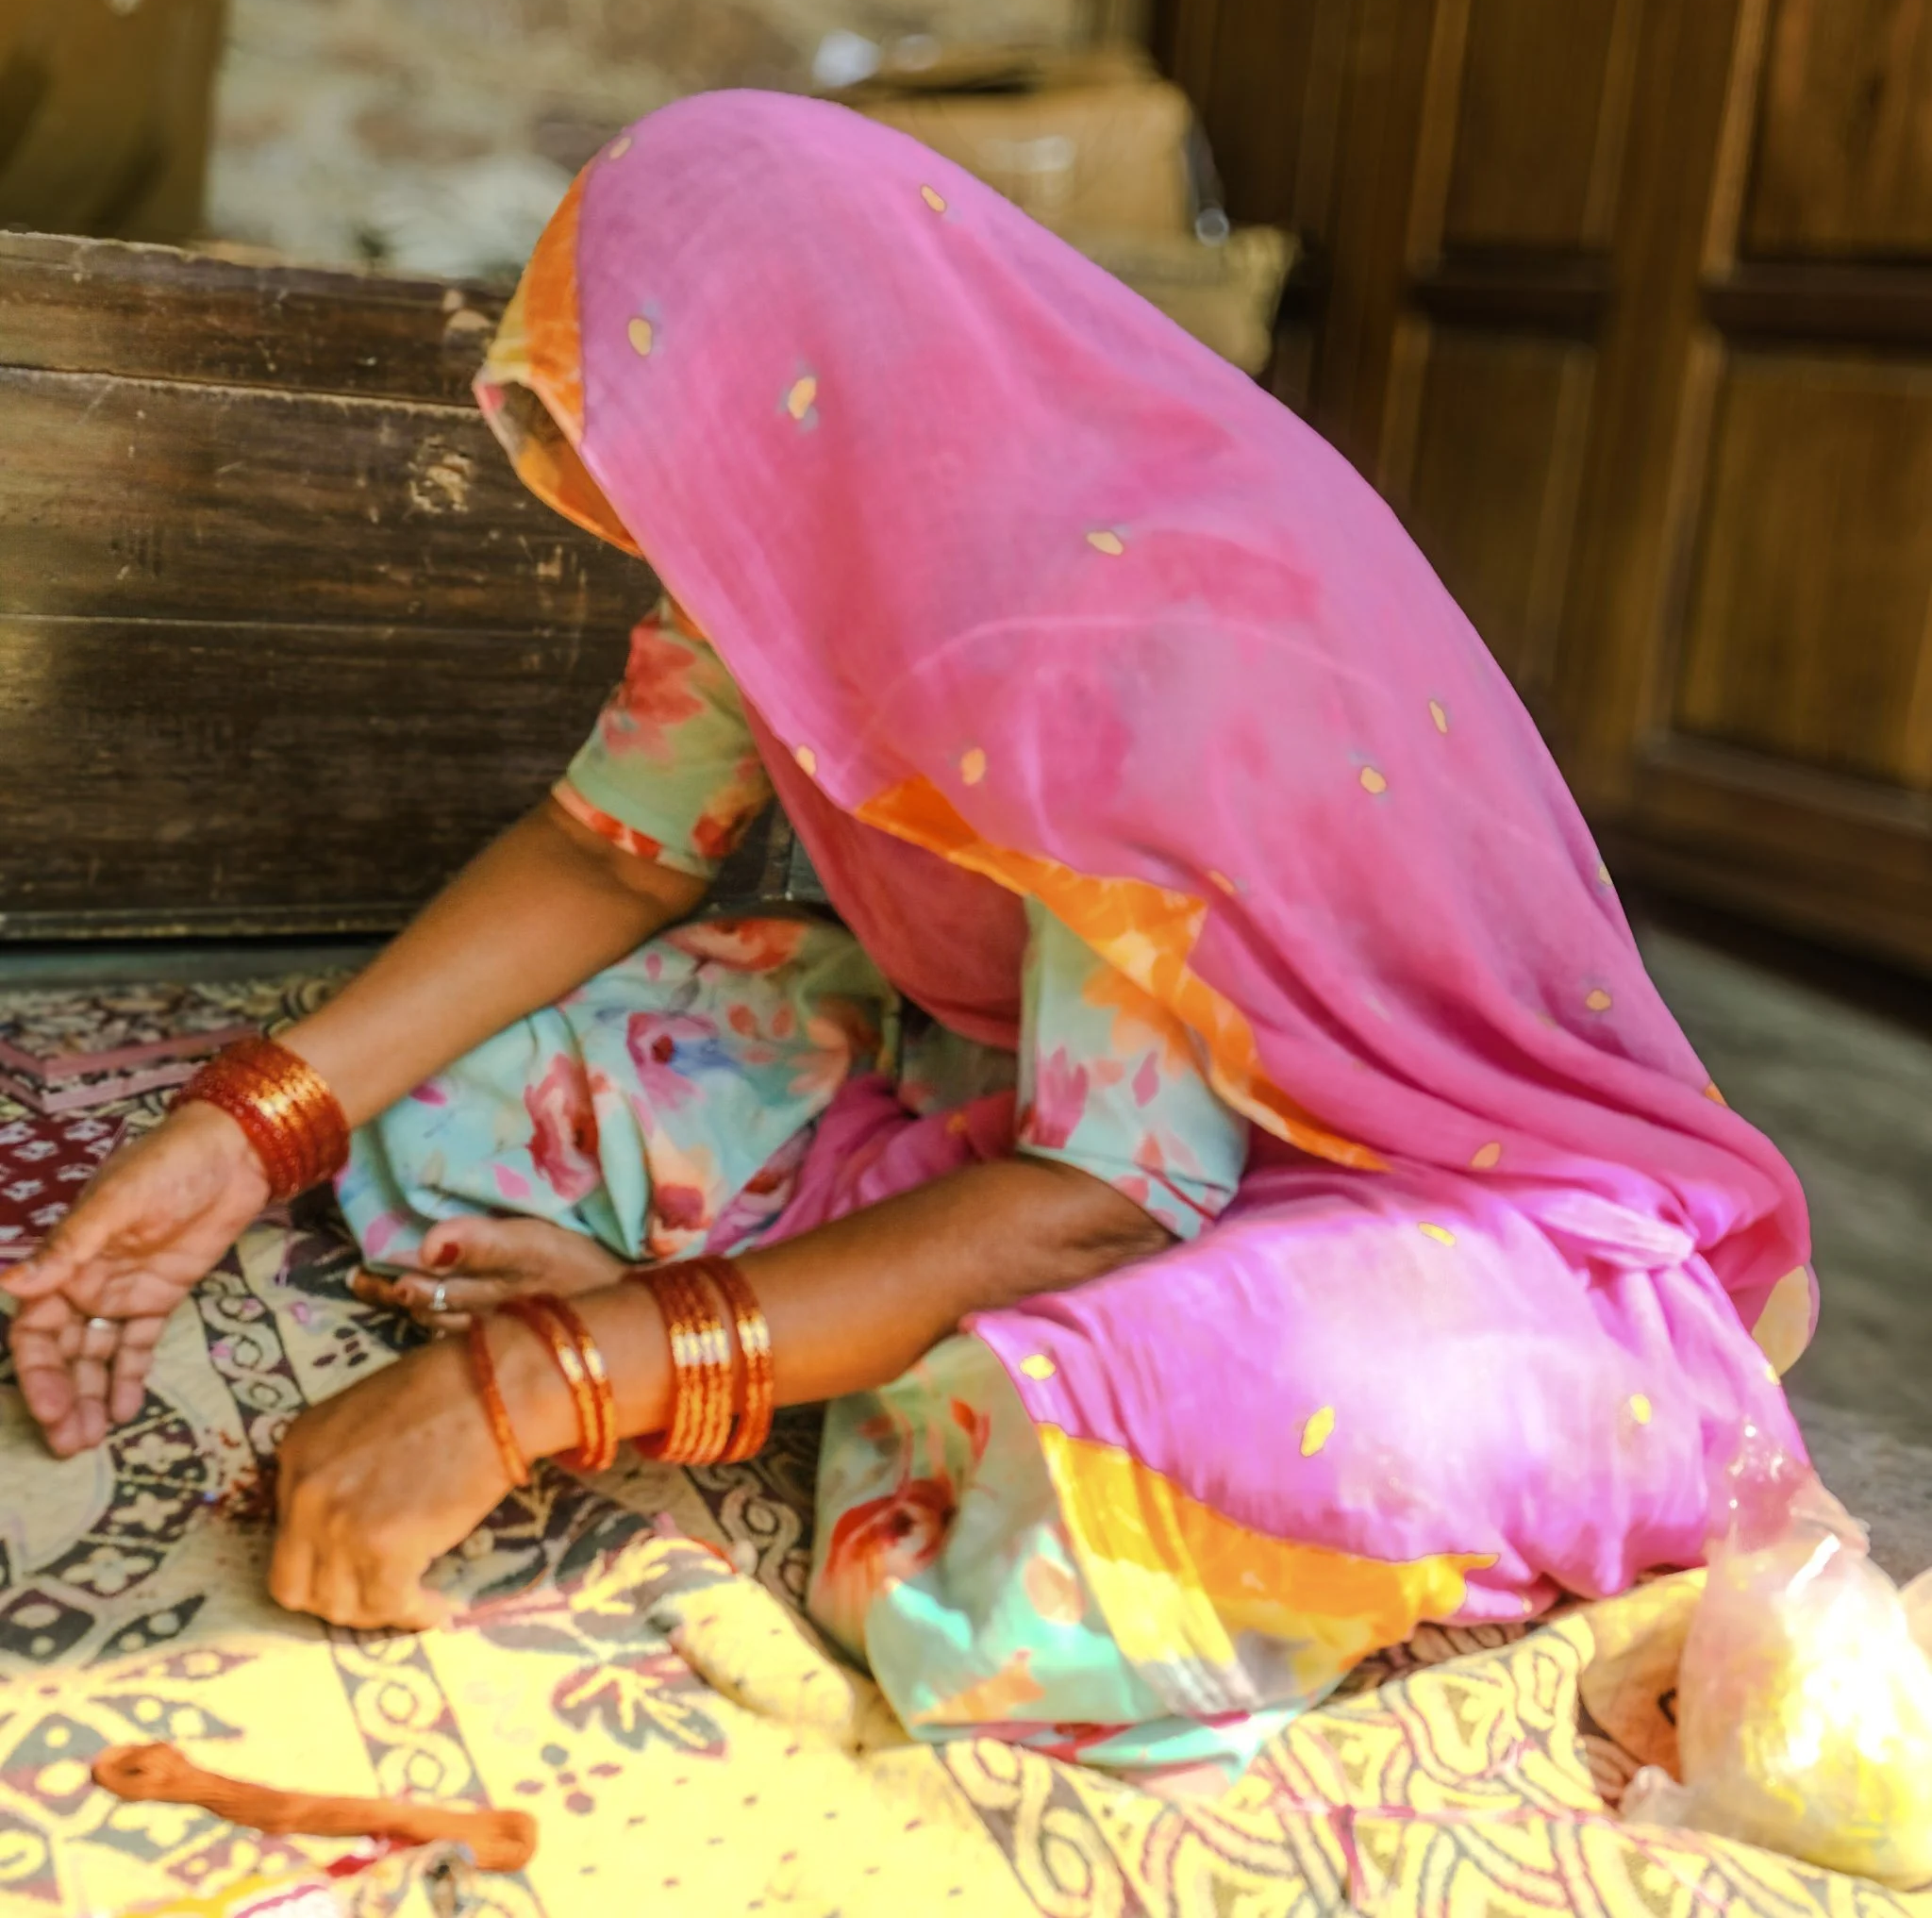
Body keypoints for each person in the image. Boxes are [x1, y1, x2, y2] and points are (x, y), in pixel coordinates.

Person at [3, 91, 1816, 1785]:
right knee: (497, 1081)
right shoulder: (817, 510)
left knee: (1053, 1515)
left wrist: (537, 1382)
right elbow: (609, 849)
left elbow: (1108, 1202)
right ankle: (823, 1324)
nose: (640, 525)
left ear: (792, 388)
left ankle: (1599, 1382)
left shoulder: (1142, 648)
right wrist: (234, 1138)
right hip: (1065, 1091)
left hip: (1382, 1193)